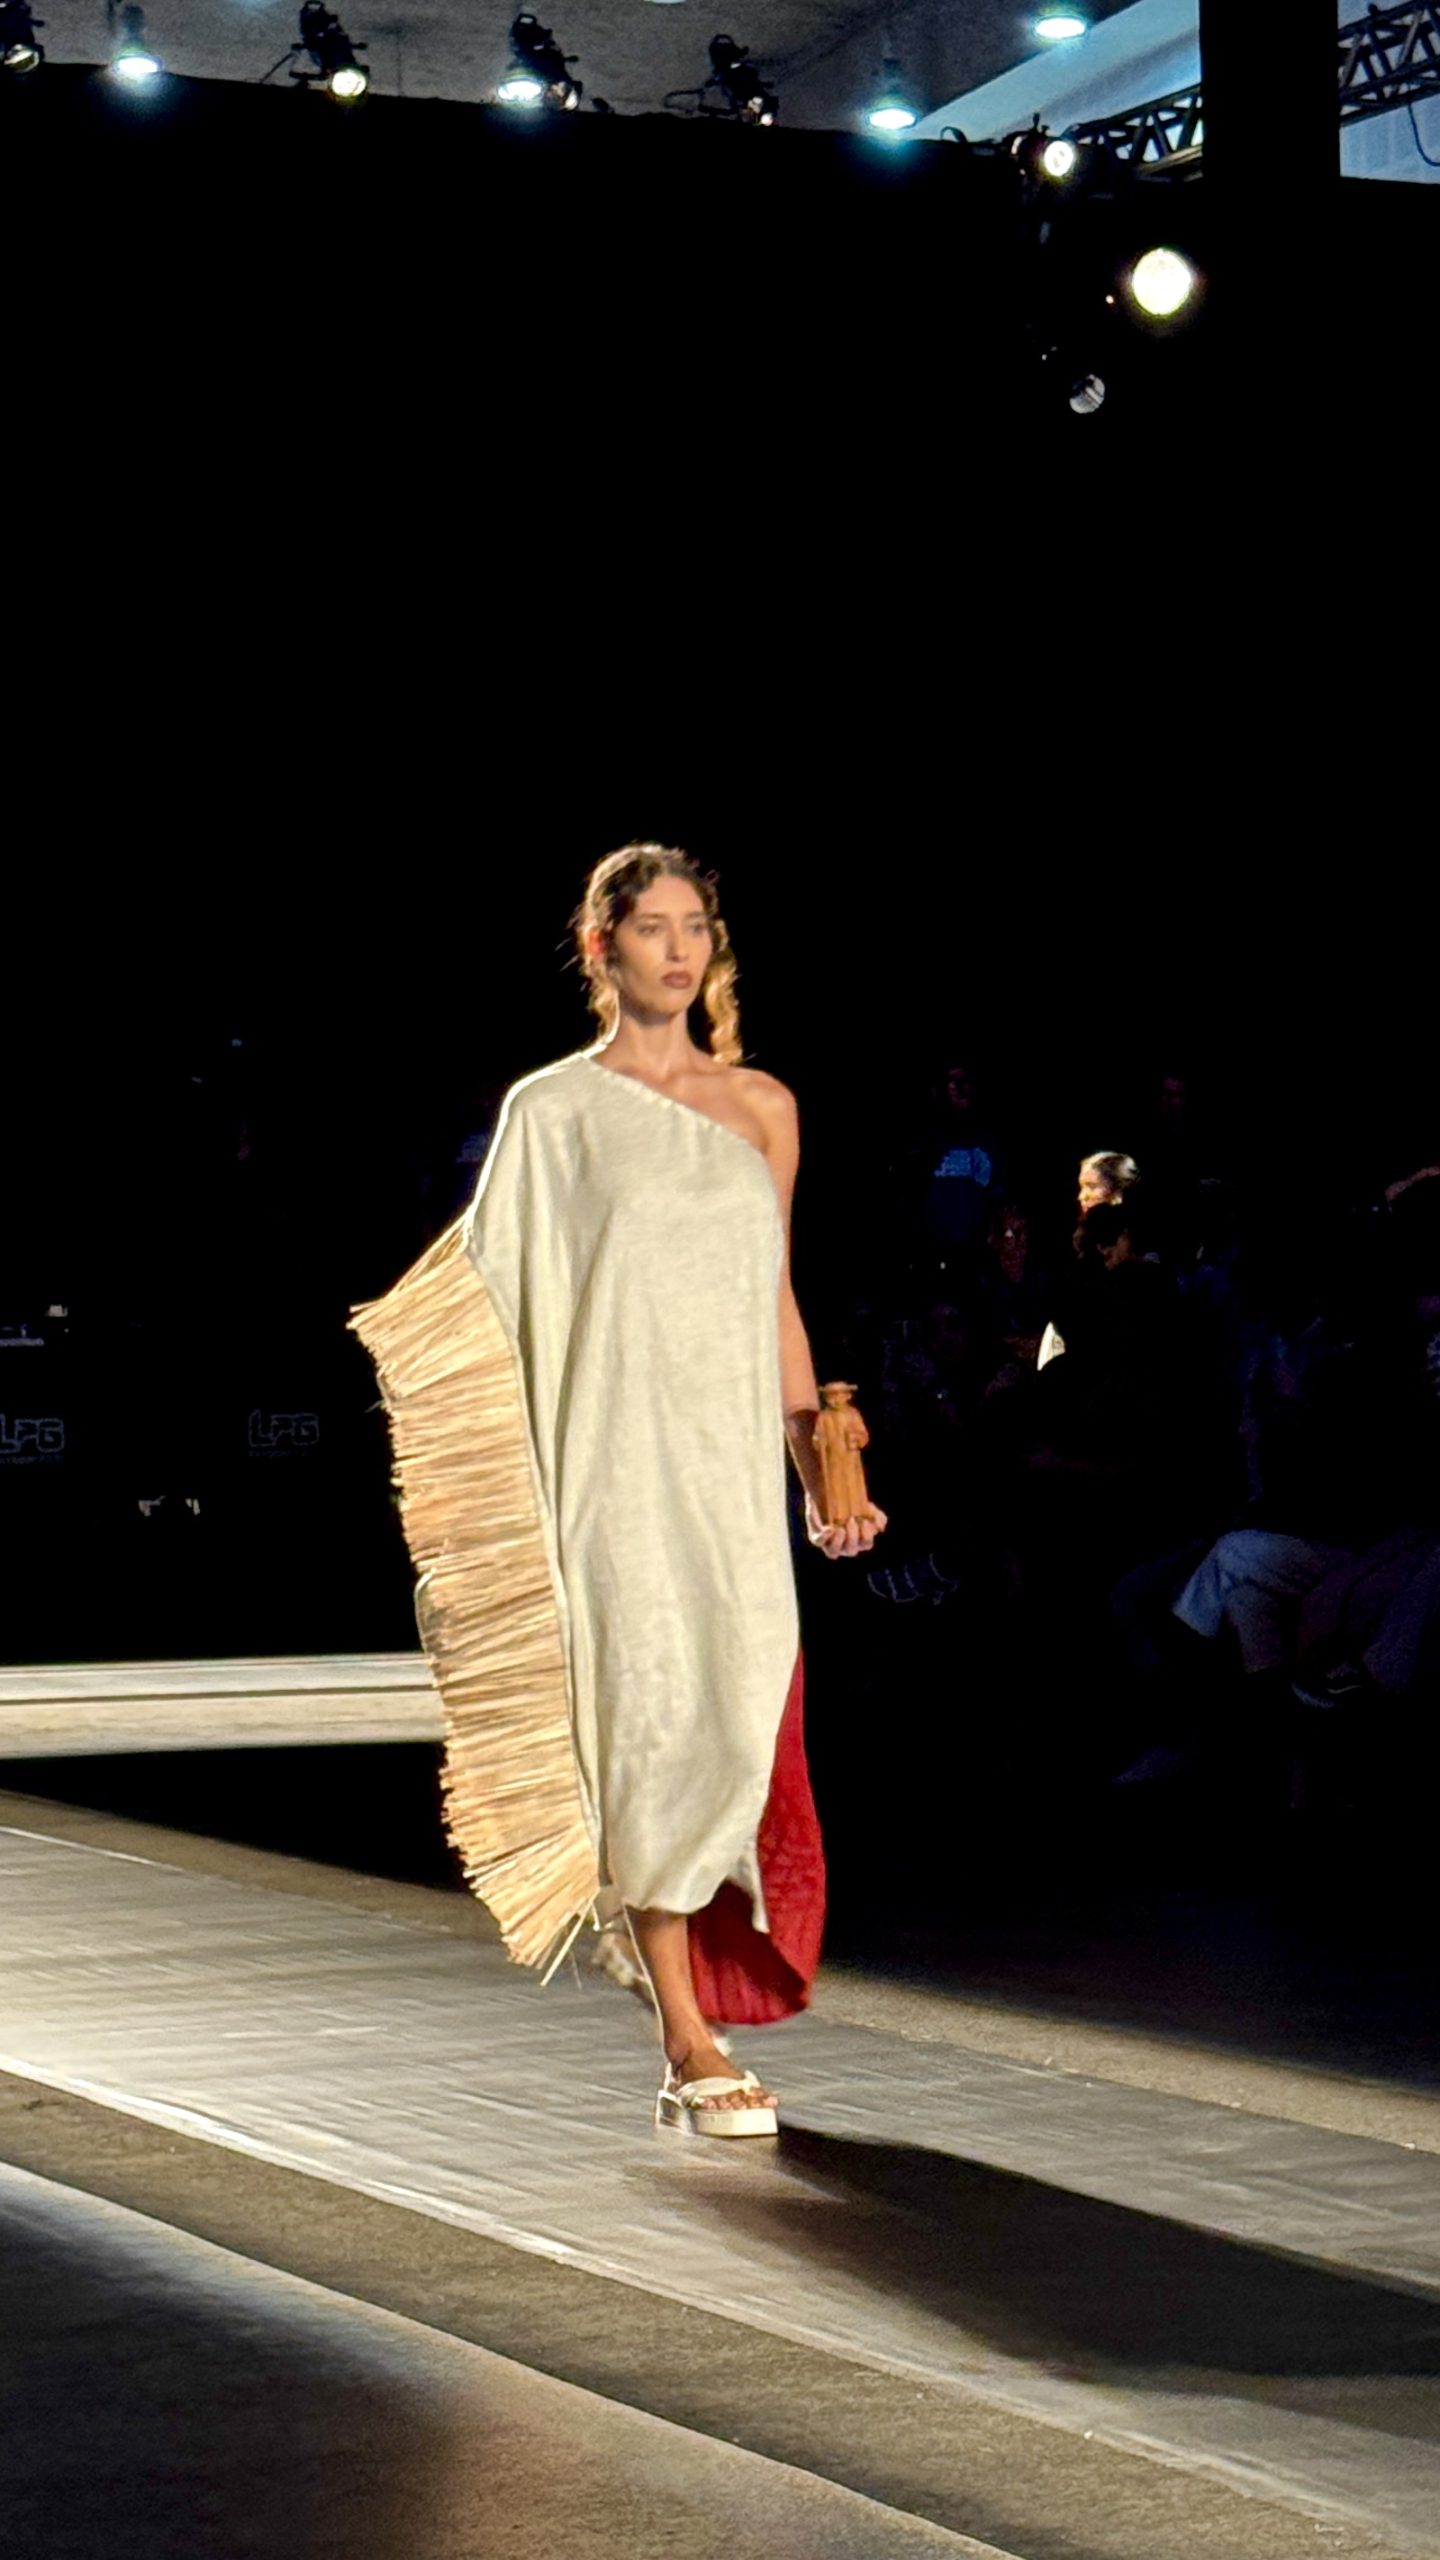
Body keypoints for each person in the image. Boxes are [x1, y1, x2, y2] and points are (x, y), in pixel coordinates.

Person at [353, 844, 885, 2141]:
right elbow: (496, 1295)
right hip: (612, 1470)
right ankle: (684, 2035)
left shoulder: (762, 1107)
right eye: (652, 928)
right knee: (647, 1724)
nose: (679, 949)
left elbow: (772, 1296)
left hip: (725, 1473)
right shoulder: (555, 1112)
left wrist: (824, 1466)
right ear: (602, 949)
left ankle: (686, 1975)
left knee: (736, 1717)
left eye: (696, 926)